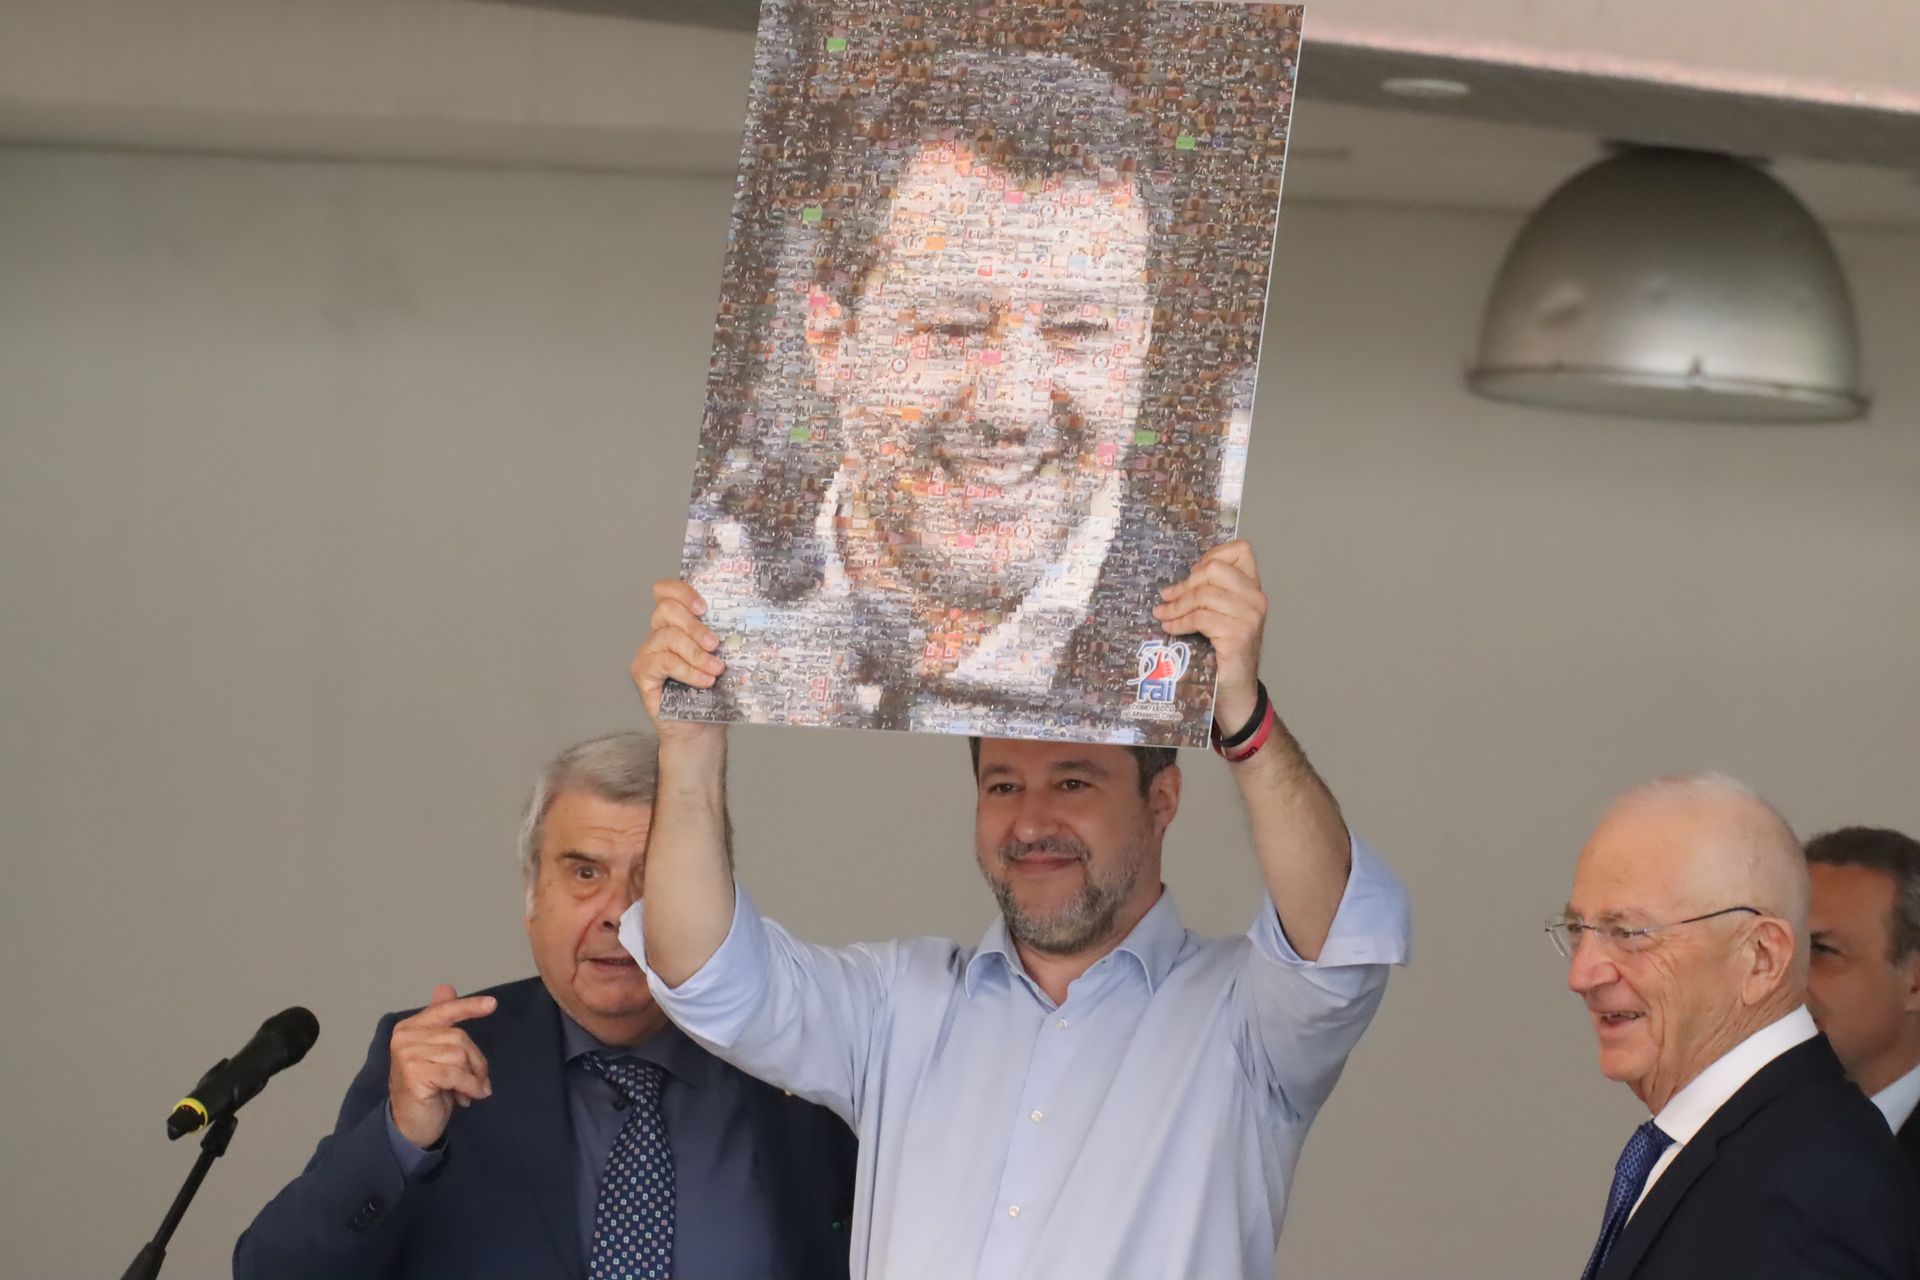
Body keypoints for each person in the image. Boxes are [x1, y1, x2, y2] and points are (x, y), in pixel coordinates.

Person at [626, 539, 1412, 1280]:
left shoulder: (1245, 1023)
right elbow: (706, 971)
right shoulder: (898, 1008)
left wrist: (1243, 718)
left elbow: (1341, 935)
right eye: (1004, 785)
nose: (1032, 823)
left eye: (1073, 782)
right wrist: (688, 749)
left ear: (1161, 800)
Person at [673, 45, 1272, 740]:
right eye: (952, 327)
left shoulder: (1211, 653)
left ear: (1140, 347)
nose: (1012, 406)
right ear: (833, 340)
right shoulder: (709, 593)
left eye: (1079, 330)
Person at [234, 732, 856, 1280]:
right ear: (533, 896)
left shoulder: (803, 1058)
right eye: (585, 874)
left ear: (712, 897)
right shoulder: (439, 1062)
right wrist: (400, 1139)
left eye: (653, 877)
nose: (618, 914)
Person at [1551, 774, 1920, 1280]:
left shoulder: (1812, 1182)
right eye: (1579, 929)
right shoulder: (1753, 1145)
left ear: (1761, 957)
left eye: (1630, 933)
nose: (1582, 975)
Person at [1805, 825, 1920, 1177]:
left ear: (1915, 984)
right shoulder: (1737, 1131)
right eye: (1777, 946)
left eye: (1822, 950)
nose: (1780, 977)